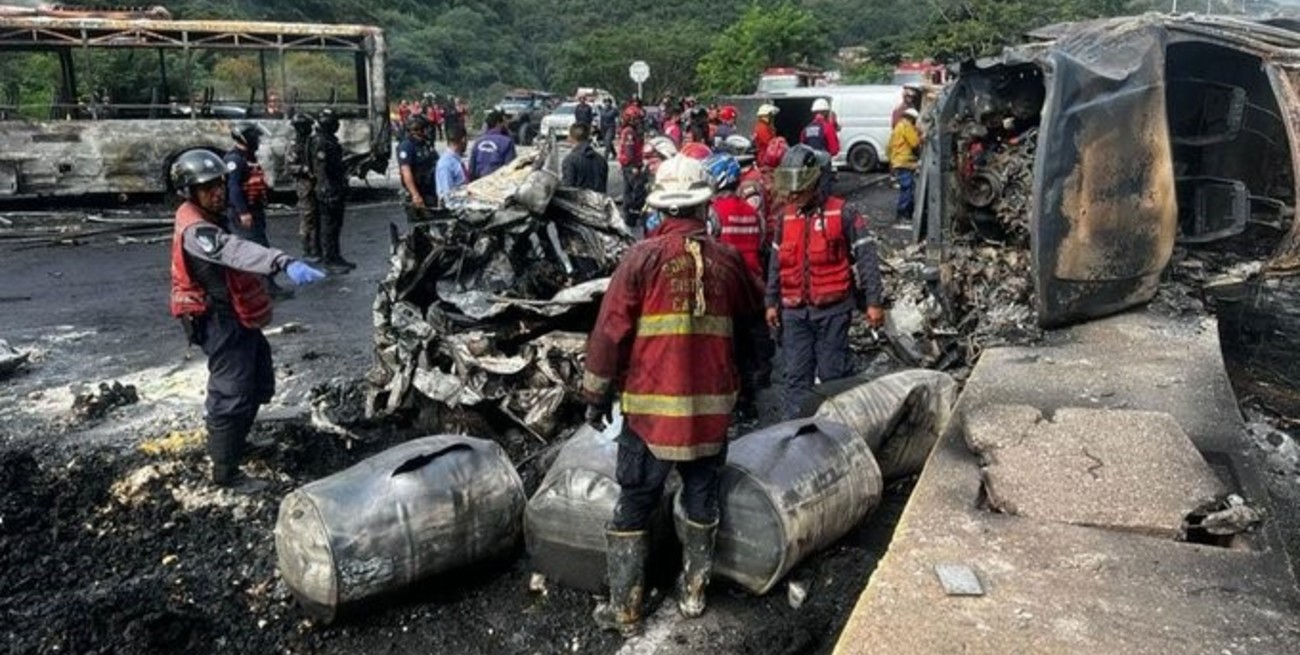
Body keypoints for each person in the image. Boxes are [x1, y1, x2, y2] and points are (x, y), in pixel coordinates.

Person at [584, 154, 763, 638]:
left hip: (649, 415)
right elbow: (753, 335)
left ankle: (624, 606)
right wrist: (750, 390)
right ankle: (693, 592)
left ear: (661, 209)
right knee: (702, 498)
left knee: (636, 501)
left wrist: (596, 395)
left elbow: (608, 334)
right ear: (706, 206)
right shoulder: (728, 262)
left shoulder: (640, 259)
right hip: (710, 415)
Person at [168, 149, 325, 491]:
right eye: (208, 188)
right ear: (189, 191)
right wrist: (282, 261)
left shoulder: (206, 216)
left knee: (256, 380)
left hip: (235, 316)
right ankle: (226, 473)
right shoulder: (197, 229)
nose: (218, 192)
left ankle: (238, 445)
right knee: (231, 392)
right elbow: (234, 251)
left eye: (219, 184)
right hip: (218, 320)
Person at [766, 145, 886, 421]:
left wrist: (873, 302)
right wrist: (771, 302)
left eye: (800, 189)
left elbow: (866, 259)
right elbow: (776, 263)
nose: (794, 195)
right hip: (795, 313)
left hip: (833, 311)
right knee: (796, 376)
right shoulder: (785, 218)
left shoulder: (843, 213)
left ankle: (836, 431)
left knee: (834, 375)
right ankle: (795, 434)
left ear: (814, 182)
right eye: (791, 190)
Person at [224, 122, 290, 299]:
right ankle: (265, 287)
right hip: (244, 212)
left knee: (258, 245)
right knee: (257, 248)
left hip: (254, 209)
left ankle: (262, 285)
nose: (258, 141)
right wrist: (243, 212)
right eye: (254, 137)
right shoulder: (235, 161)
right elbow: (234, 189)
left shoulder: (248, 157)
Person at [311, 109, 355, 274]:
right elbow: (321, 169)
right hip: (328, 189)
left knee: (336, 224)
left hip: (336, 185)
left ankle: (336, 256)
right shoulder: (321, 141)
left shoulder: (329, 140)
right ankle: (329, 260)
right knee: (328, 226)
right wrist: (326, 189)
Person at [286, 113, 319, 261]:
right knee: (307, 217)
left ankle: (316, 247)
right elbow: (289, 167)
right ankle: (307, 250)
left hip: (316, 183)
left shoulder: (311, 142)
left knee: (317, 216)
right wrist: (304, 169)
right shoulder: (294, 145)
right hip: (304, 184)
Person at [398, 114, 438, 213]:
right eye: (424, 128)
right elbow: (406, 171)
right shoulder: (407, 147)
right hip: (418, 190)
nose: (427, 131)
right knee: (421, 224)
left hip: (430, 190)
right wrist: (415, 195)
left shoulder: (426, 144)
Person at [888, 107, 923, 221]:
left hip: (899, 161)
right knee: (907, 188)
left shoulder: (898, 126)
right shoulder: (907, 126)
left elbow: (888, 147)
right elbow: (914, 143)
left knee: (907, 187)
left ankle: (906, 213)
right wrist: (922, 137)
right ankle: (902, 213)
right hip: (905, 162)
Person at [618, 105, 647, 227]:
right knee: (637, 191)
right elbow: (629, 151)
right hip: (631, 165)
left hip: (629, 165)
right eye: (637, 119)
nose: (639, 121)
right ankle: (632, 215)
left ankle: (628, 215)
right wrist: (634, 165)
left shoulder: (631, 130)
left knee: (628, 191)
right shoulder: (629, 132)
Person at [468, 110, 517, 181]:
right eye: (504, 122)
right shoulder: (507, 142)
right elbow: (511, 168)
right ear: (498, 123)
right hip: (497, 185)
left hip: (479, 184)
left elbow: (471, 170)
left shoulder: (478, 142)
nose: (506, 125)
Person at [562, 122, 609, 193]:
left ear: (570, 138)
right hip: (599, 201)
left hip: (578, 202)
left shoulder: (570, 160)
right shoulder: (601, 160)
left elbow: (567, 188)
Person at [436, 128, 469, 204]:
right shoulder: (446, 164)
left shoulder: (457, 160)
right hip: (457, 208)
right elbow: (448, 195)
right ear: (463, 139)